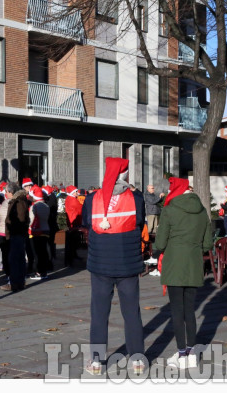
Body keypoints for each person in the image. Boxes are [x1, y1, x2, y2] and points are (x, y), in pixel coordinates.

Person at [81, 157, 147, 375]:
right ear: (124, 175)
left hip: (100, 264)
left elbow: (86, 223)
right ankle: (137, 359)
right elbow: (140, 221)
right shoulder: (136, 198)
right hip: (128, 264)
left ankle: (97, 361)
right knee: (132, 313)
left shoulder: (91, 199)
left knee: (99, 313)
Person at [154, 177, 212, 370]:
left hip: (174, 263)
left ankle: (181, 354)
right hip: (194, 263)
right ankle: (191, 353)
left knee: (177, 311)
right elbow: (207, 243)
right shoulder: (202, 210)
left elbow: (160, 243)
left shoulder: (169, 210)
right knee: (190, 310)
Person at [4, 182, 29, 292]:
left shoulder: (18, 202)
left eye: (7, 191)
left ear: (11, 192)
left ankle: (15, 283)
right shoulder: (20, 200)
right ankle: (19, 282)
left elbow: (21, 218)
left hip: (16, 233)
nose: (6, 194)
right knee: (18, 259)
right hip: (18, 233)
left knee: (15, 259)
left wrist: (12, 227)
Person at [28, 185, 51, 280]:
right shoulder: (46, 206)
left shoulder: (34, 206)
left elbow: (31, 219)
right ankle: (44, 271)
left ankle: (38, 272)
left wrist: (28, 226)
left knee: (36, 253)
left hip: (36, 231)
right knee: (43, 252)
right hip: (46, 229)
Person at [64, 185, 83, 267]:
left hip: (72, 222)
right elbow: (80, 209)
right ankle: (70, 260)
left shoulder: (70, 199)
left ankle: (72, 257)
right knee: (72, 243)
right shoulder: (72, 200)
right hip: (74, 222)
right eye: (75, 191)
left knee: (71, 243)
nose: (77, 193)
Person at [0, 188, 11, 283]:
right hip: (11, 232)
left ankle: (6, 270)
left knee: (4, 252)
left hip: (1, 232)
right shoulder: (15, 205)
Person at [42, 185, 59, 265]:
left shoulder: (48, 200)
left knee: (48, 243)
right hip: (52, 224)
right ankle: (52, 256)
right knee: (51, 242)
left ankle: (50, 259)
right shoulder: (53, 197)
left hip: (49, 224)